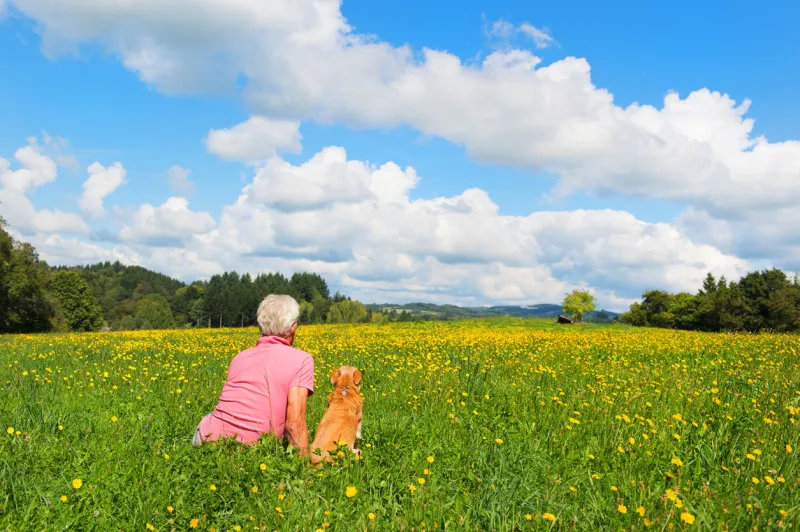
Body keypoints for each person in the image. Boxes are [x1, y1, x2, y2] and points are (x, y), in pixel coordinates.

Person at [193, 294, 314, 455]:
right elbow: (294, 423)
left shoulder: (240, 357)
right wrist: (303, 470)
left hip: (208, 441)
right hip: (254, 451)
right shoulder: (302, 360)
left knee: (211, 416)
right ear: (293, 328)